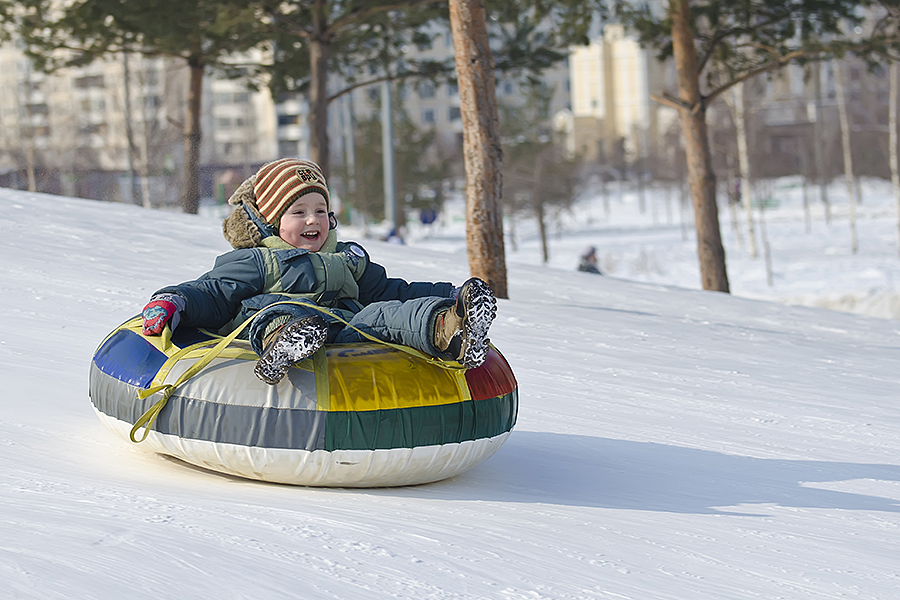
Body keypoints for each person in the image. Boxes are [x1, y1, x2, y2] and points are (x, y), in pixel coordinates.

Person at [140, 158, 497, 385]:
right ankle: (285, 344)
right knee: (273, 309)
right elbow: (213, 292)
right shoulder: (257, 260)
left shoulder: (348, 258)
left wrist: (448, 295)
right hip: (285, 319)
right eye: (298, 212)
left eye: (321, 209)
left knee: (384, 313)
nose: (313, 219)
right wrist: (174, 301)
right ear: (270, 222)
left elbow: (391, 290)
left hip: (345, 327)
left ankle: (451, 328)